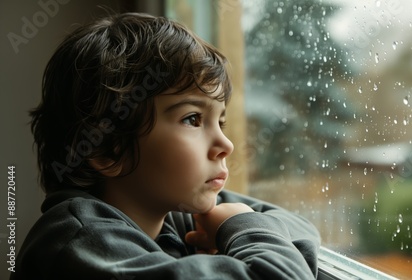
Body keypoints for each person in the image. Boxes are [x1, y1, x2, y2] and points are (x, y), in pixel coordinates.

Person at [11, 12, 321, 280]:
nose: (225, 145)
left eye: (221, 122)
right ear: (107, 149)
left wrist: (233, 224)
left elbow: (299, 228)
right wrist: (239, 225)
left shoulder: (172, 214)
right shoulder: (80, 243)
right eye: (192, 119)